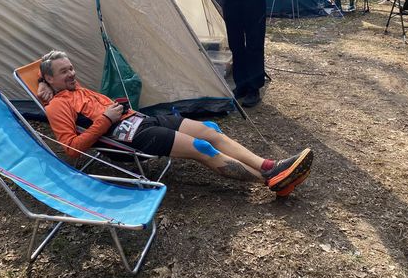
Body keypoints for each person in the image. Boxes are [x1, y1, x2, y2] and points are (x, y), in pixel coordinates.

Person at [36, 50, 313, 195]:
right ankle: (269, 181)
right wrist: (105, 120)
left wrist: (40, 81)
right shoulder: (58, 105)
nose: (72, 74)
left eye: (71, 68)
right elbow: (72, 150)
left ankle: (270, 166)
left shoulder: (70, 88)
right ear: (51, 78)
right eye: (63, 72)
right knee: (202, 148)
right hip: (129, 138)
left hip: (142, 120)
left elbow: (53, 80)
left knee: (210, 131)